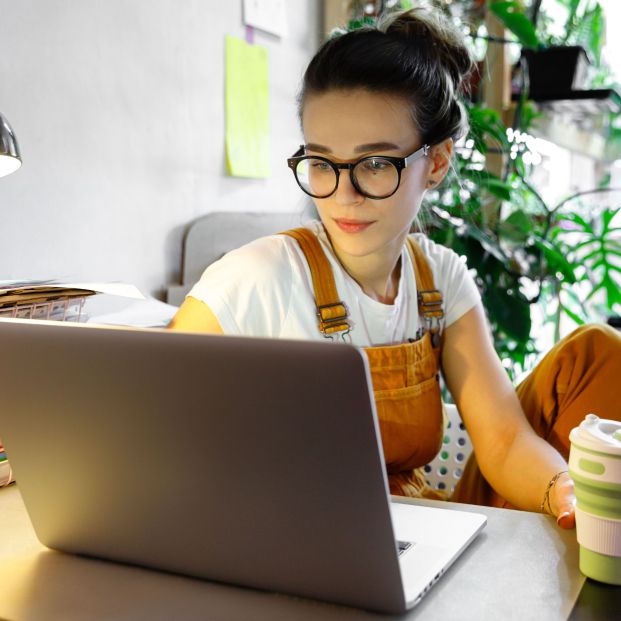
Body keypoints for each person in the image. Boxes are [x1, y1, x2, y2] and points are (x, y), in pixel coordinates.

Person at [169, 7, 621, 529]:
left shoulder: (440, 279)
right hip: (300, 533)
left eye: (376, 164)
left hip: (419, 525)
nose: (343, 195)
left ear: (437, 162)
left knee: (597, 357)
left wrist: (563, 491)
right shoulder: (254, 277)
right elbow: (154, 420)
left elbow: (504, 440)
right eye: (321, 163)